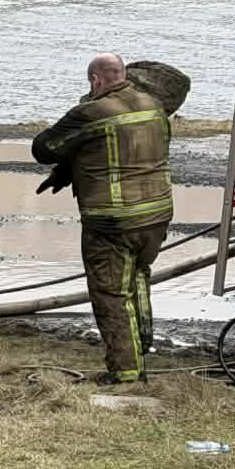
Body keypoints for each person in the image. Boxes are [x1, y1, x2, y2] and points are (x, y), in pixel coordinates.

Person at [31, 53, 173, 383]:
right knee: (138, 277)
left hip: (113, 220)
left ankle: (125, 372)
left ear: (95, 80)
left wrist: (80, 114)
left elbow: (44, 148)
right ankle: (142, 345)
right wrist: (68, 171)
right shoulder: (154, 106)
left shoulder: (91, 113)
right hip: (156, 214)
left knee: (111, 293)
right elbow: (126, 150)